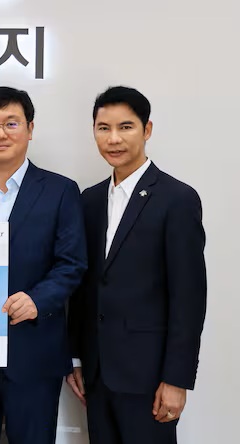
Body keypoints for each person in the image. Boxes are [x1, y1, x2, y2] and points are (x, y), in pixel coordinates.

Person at [0, 86, 87, 444]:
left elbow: (71, 263)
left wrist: (38, 299)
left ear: (30, 128)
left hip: (35, 352)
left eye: (11, 123)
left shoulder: (61, 190)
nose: (0, 133)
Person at [67, 86, 207, 444]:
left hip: (149, 378)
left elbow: (188, 298)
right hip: (98, 374)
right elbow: (84, 287)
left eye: (125, 127)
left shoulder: (177, 199)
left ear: (147, 130)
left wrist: (176, 379)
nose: (113, 139)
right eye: (103, 128)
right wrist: (78, 358)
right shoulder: (89, 200)